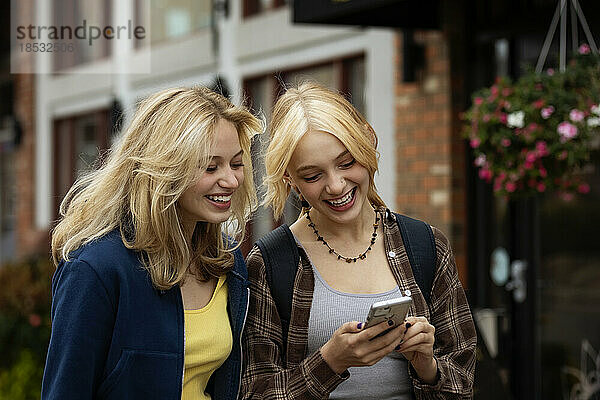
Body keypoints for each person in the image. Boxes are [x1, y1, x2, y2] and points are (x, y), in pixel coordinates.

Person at [241, 82, 476, 399]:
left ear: (368, 141)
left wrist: (427, 366)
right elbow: (254, 393)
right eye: (313, 176)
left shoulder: (426, 245)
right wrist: (330, 362)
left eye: (347, 162)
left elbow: (462, 385)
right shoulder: (270, 263)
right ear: (290, 179)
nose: (336, 186)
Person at [42, 87, 262, 400]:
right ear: (164, 169)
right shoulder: (96, 270)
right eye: (210, 167)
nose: (230, 180)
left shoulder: (226, 260)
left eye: (236, 163)